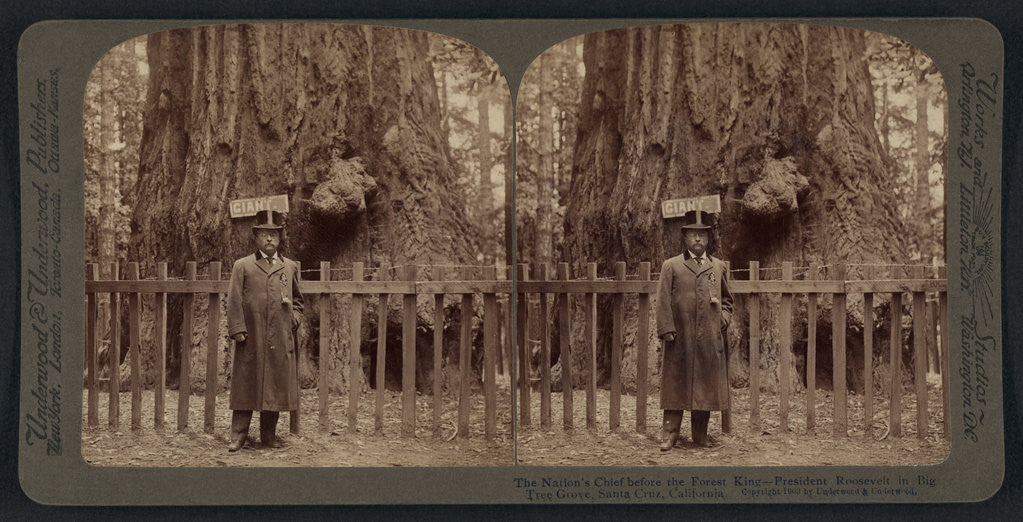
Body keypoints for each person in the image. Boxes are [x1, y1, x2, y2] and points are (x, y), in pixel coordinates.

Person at [226, 209, 304, 451]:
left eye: (274, 235)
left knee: (276, 385)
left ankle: (268, 436)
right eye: (264, 235)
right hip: (252, 336)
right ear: (256, 238)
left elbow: (299, 302)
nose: (269, 239)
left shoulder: (289, 267)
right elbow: (234, 300)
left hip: (280, 337)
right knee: (246, 383)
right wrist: (238, 328)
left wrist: (293, 320)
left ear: (280, 238)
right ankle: (238, 435)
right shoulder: (243, 266)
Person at [655, 209, 733, 452]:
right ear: (685, 238)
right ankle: (670, 435)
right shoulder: (672, 266)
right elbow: (662, 300)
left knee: (706, 386)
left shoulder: (718, 266)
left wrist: (723, 320)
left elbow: (728, 301)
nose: (697, 239)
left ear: (708, 239)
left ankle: (700, 435)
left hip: (710, 338)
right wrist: (667, 329)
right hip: (680, 337)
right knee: (675, 384)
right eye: (692, 235)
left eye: (702, 235)